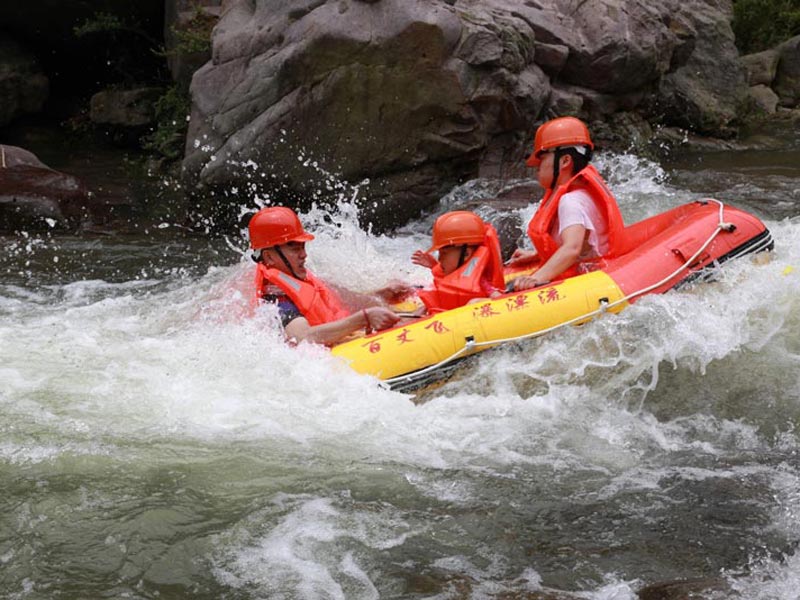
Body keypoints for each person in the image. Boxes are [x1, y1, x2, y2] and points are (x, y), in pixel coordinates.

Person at [249, 206, 406, 345]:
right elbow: (303, 337)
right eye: (295, 249)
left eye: (303, 247)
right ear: (269, 257)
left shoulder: (300, 278)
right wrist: (363, 319)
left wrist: (381, 296)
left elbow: (340, 302)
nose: (304, 255)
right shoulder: (276, 301)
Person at [508, 116, 626, 290]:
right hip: (598, 268)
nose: (537, 166)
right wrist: (536, 255)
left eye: (542, 159)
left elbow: (572, 248)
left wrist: (535, 278)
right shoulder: (582, 193)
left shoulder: (570, 201)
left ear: (565, 161)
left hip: (592, 283)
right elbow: (585, 245)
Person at [411, 211, 505, 312]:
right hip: (448, 314)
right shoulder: (456, 273)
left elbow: (500, 300)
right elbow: (448, 282)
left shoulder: (480, 280)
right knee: (424, 306)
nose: (440, 259)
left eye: (444, 253)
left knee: (474, 302)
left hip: (473, 317)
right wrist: (434, 266)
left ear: (466, 254)